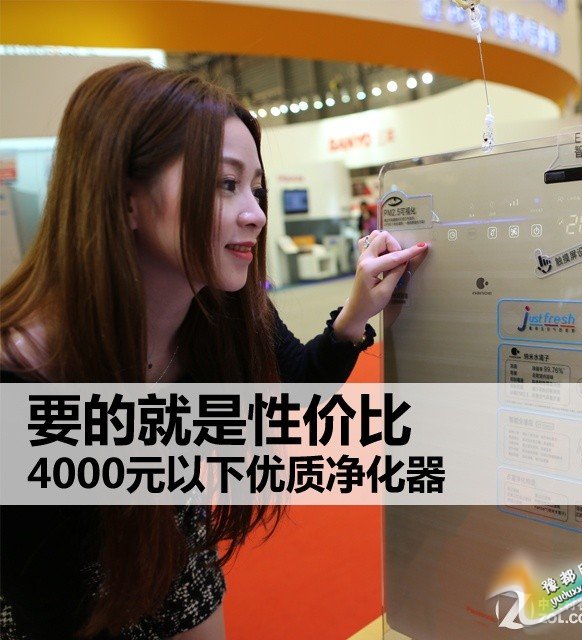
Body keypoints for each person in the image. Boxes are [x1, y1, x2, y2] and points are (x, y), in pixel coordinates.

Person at [0, 63, 428, 640]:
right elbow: (47, 603)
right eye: (226, 184)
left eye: (256, 188)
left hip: (170, 539)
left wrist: (354, 316)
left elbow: (290, 395)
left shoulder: (224, 304)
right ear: (127, 199)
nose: (256, 213)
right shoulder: (24, 375)